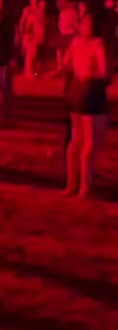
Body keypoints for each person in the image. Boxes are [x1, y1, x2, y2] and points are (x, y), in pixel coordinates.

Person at [63, 11, 107, 197]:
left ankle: (70, 184)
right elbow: (103, 71)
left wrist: (77, 68)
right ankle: (84, 186)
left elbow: (65, 62)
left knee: (75, 141)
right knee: (89, 143)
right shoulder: (97, 44)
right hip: (91, 91)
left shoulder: (75, 42)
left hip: (75, 91)